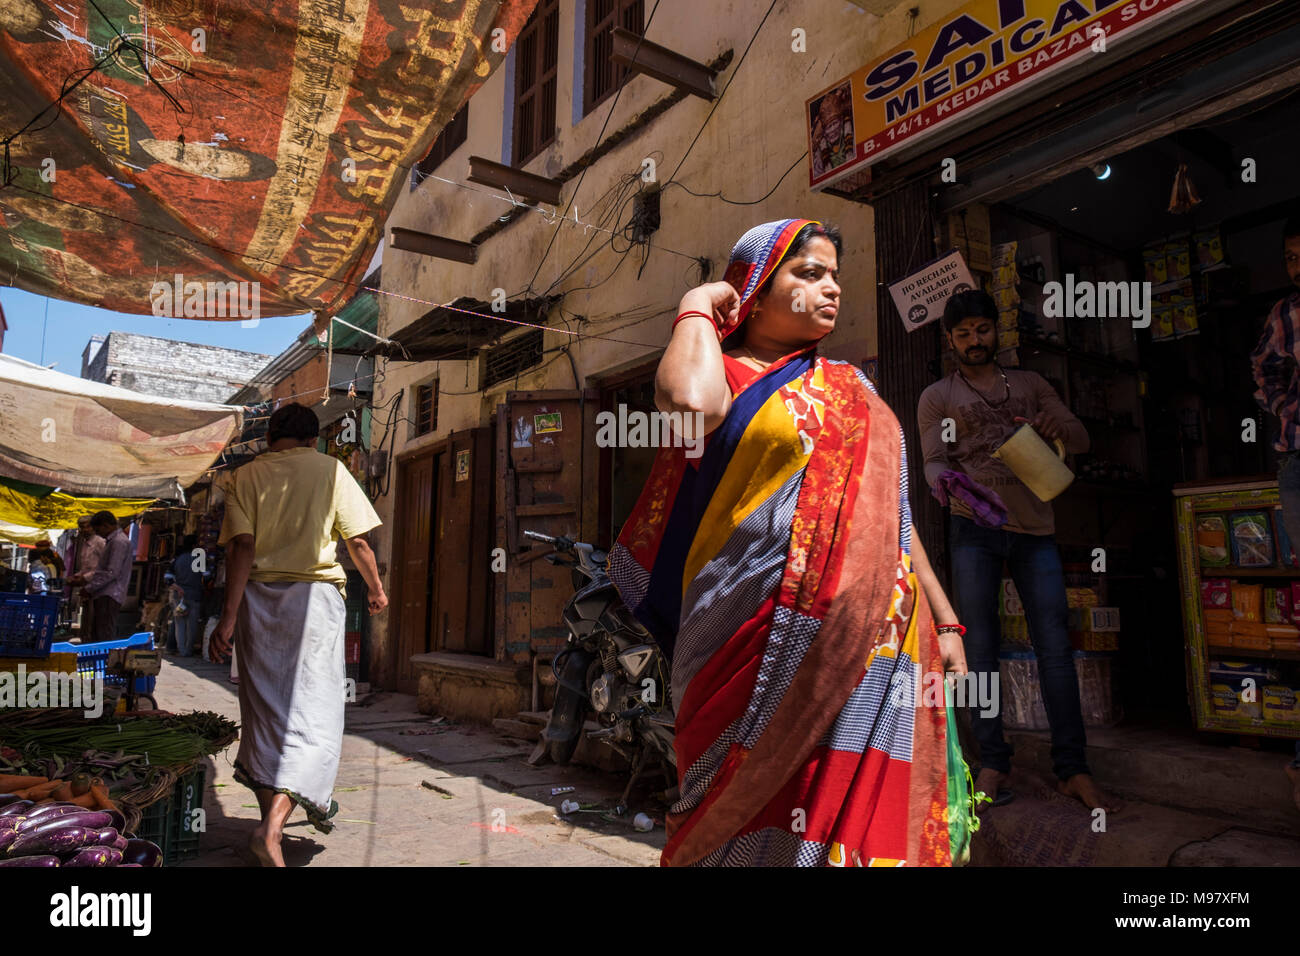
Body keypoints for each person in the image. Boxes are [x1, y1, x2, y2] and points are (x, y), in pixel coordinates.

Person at [608, 219, 967, 867]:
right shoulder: (722, 374)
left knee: (856, 830)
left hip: (877, 649)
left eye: (834, 276)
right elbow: (687, 402)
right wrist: (694, 308)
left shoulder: (853, 387)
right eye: (808, 274)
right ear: (752, 289)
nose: (831, 289)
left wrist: (947, 620)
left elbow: (894, 515)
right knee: (745, 815)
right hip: (747, 644)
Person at [917, 289, 1118, 813]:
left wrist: (1056, 427)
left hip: (1035, 529)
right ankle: (993, 761)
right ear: (950, 340)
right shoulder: (938, 396)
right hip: (974, 529)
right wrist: (955, 489)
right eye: (963, 335)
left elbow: (1080, 440)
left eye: (982, 330)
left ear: (996, 331)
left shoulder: (1030, 385)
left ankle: (1074, 769)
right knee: (978, 648)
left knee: (1055, 646)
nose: (974, 342)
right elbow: (934, 463)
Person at [209, 402, 388, 867]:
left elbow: (242, 548)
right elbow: (359, 541)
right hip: (314, 603)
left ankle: (272, 826)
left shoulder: (243, 477)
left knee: (267, 714)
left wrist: (227, 619)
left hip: (258, 603)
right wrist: (376, 588)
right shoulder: (330, 470)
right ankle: (270, 831)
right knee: (316, 716)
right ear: (313, 439)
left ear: (271, 437)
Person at [1247, 215, 1300, 810]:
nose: (1296, 267)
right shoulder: (1285, 314)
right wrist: (1286, 408)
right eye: (1289, 258)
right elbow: (1263, 369)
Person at [68, 512, 133, 644]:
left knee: (103, 634)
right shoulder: (113, 541)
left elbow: (111, 571)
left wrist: (89, 587)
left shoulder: (118, 542)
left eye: (98, 530)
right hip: (104, 592)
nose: (98, 534)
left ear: (106, 526)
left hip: (109, 593)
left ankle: (104, 660)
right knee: (98, 632)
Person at [65, 516, 106, 638]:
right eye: (82, 527)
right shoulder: (84, 544)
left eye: (88, 526)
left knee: (95, 623)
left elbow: (103, 567)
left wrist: (84, 577)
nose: (85, 529)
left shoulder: (99, 542)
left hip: (98, 588)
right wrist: (76, 577)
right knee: (87, 621)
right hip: (88, 588)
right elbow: (86, 567)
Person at [168, 534, 206, 657]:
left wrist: (177, 587)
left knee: (180, 623)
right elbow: (207, 575)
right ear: (194, 545)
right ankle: (188, 650)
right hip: (194, 595)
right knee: (192, 624)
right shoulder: (198, 559)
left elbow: (167, 578)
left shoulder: (177, 559)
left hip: (179, 596)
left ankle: (182, 650)